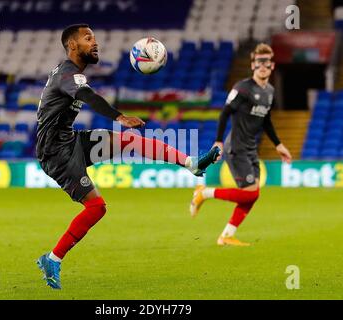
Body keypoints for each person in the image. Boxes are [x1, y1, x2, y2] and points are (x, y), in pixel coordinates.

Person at [36, 24, 220, 289]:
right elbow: (87, 95)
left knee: (129, 141)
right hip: (55, 153)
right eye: (88, 39)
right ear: (72, 46)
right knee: (97, 208)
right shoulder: (67, 73)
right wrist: (118, 116)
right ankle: (52, 259)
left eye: (95, 38)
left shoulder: (71, 73)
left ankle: (190, 163)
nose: (95, 43)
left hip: (69, 139)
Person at [190, 43, 292, 247]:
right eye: (259, 61)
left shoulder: (270, 91)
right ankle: (204, 193)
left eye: (267, 62)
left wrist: (278, 144)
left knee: (252, 196)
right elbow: (225, 112)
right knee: (250, 192)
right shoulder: (242, 88)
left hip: (250, 149)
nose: (263, 66)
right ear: (253, 65)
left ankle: (226, 235)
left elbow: (266, 119)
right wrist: (218, 141)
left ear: (272, 66)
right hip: (235, 148)